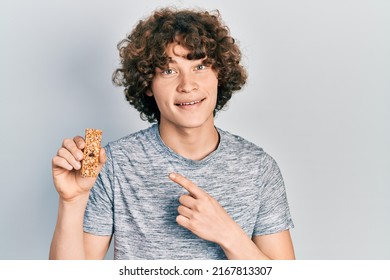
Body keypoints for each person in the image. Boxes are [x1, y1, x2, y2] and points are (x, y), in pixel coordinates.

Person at [49, 7, 295, 260]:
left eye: (200, 67)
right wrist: (72, 201)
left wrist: (229, 235)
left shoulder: (258, 167)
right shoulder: (112, 165)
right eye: (169, 71)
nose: (187, 85)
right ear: (147, 84)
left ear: (219, 74)